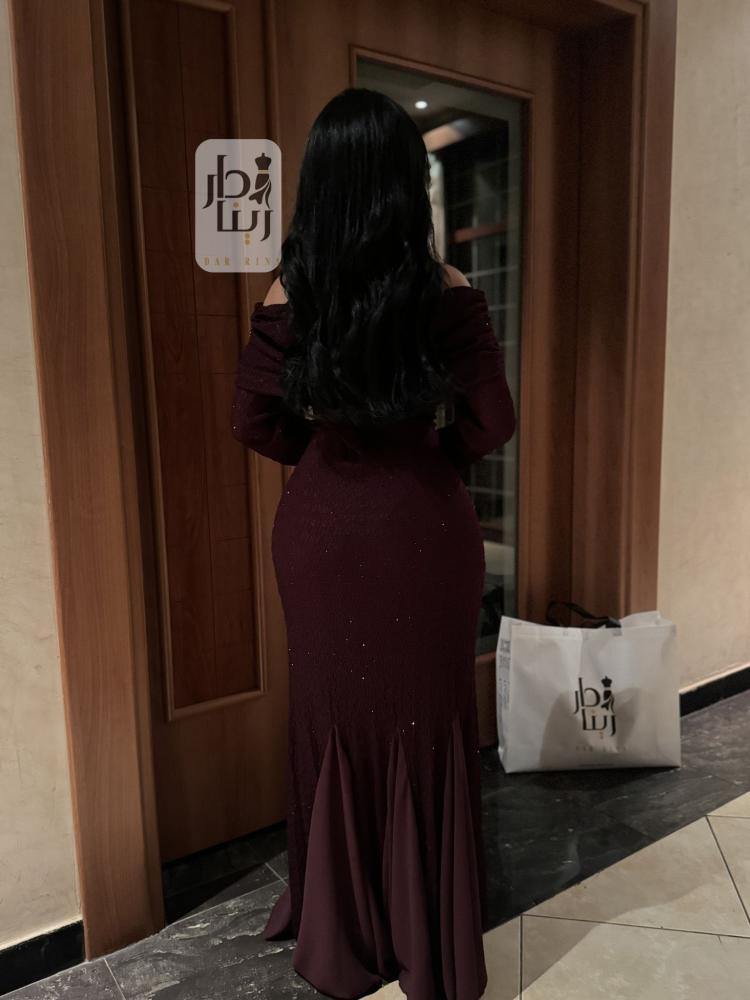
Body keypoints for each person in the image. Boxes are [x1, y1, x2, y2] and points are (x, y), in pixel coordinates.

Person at [231, 87, 516, 1000]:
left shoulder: (290, 290)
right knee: (429, 722)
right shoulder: (447, 289)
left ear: (319, 184)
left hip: (321, 533)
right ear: (404, 183)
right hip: (424, 526)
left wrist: (326, 457)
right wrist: (427, 455)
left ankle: (341, 921)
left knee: (332, 723)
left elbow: (252, 421)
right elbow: (492, 423)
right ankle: (427, 920)